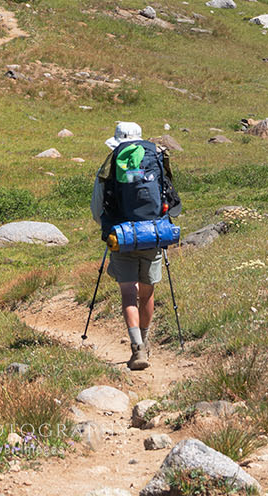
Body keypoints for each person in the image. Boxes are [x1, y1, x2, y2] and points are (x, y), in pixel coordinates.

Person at [91, 121, 180, 370]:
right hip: (153, 234)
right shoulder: (157, 158)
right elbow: (170, 197)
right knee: (147, 292)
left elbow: (98, 208)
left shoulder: (110, 164)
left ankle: (137, 348)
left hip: (123, 237)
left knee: (128, 293)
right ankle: (146, 340)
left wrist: (108, 227)